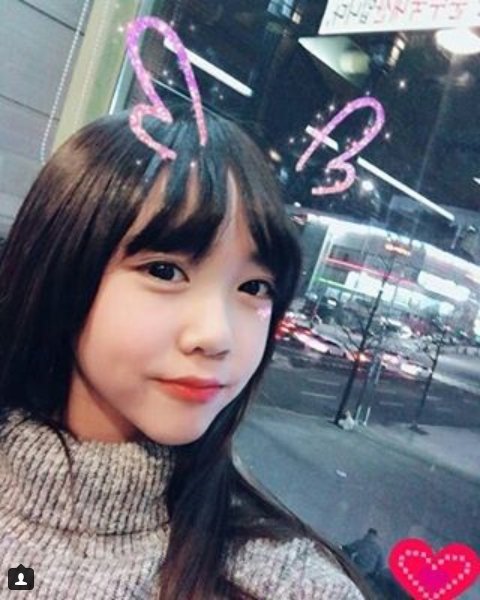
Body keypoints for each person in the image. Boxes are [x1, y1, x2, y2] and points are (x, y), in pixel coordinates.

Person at [0, 106, 372, 599]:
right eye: (165, 271)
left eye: (255, 287)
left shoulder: (288, 586)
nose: (217, 335)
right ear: (61, 270)